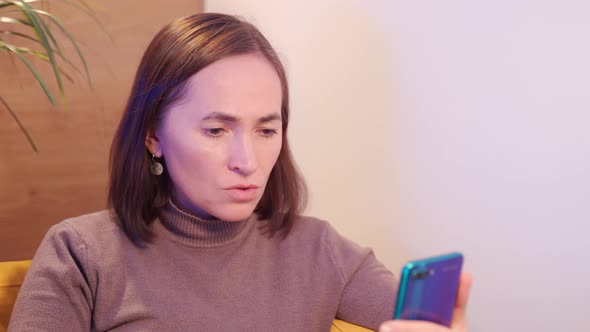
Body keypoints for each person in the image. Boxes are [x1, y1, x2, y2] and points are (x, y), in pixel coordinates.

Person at [8, 13, 471, 331]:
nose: (246, 160)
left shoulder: (324, 254)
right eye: (215, 129)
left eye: (266, 130)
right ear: (153, 135)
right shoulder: (82, 255)